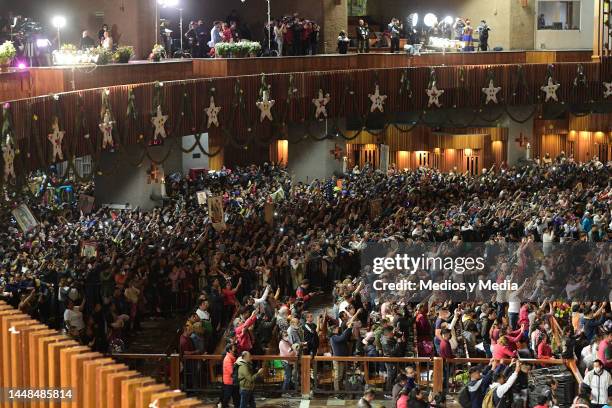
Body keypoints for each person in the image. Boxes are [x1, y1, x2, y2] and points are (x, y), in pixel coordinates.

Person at [221, 343, 239, 408]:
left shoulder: (232, 357)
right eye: (234, 348)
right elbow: (231, 371)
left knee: (235, 397)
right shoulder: (228, 359)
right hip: (229, 382)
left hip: (232, 381)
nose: (235, 349)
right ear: (230, 350)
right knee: (228, 397)